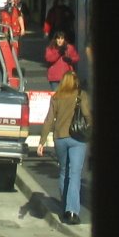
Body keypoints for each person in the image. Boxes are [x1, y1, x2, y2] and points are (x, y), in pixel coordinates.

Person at [37, 71, 91, 225]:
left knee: (63, 172)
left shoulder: (56, 97)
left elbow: (49, 119)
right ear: (75, 82)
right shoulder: (81, 95)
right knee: (75, 174)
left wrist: (42, 141)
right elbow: (87, 115)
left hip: (60, 138)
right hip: (78, 139)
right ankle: (72, 211)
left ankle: (64, 207)